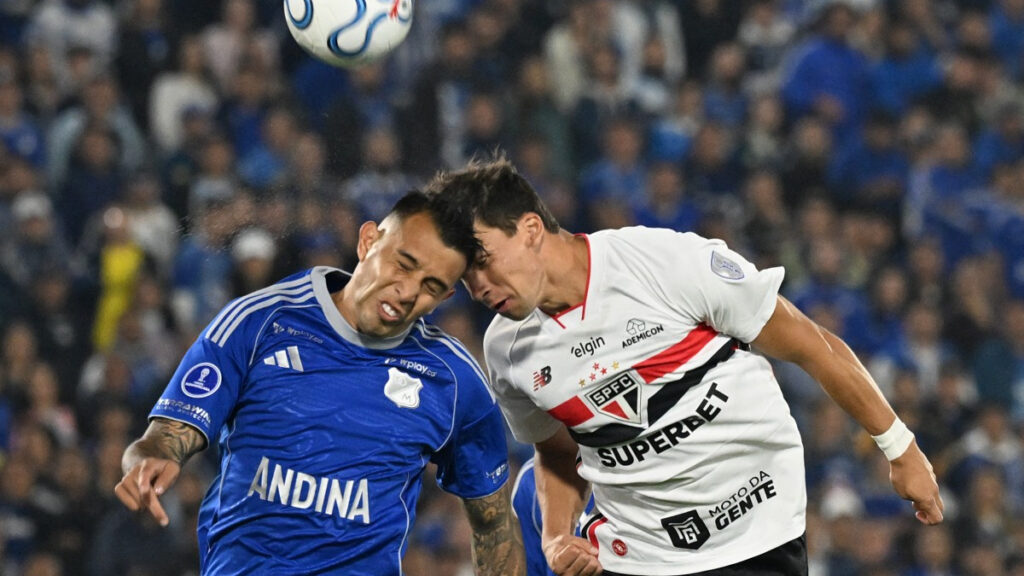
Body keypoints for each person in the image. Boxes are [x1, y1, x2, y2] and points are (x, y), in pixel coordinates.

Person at [427, 159, 944, 576]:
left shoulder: (661, 262)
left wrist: (899, 447)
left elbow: (810, 344)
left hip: (755, 524)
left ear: (531, 229)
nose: (478, 288)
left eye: (483, 261)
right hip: (640, 552)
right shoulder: (506, 350)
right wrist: (558, 534)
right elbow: (556, 453)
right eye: (464, 277)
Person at [114, 191, 525, 575]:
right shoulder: (258, 322)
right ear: (368, 241)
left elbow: (492, 523)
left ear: (445, 297)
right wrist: (153, 455)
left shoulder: (455, 381)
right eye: (403, 263)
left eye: (430, 287)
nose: (406, 291)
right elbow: (168, 434)